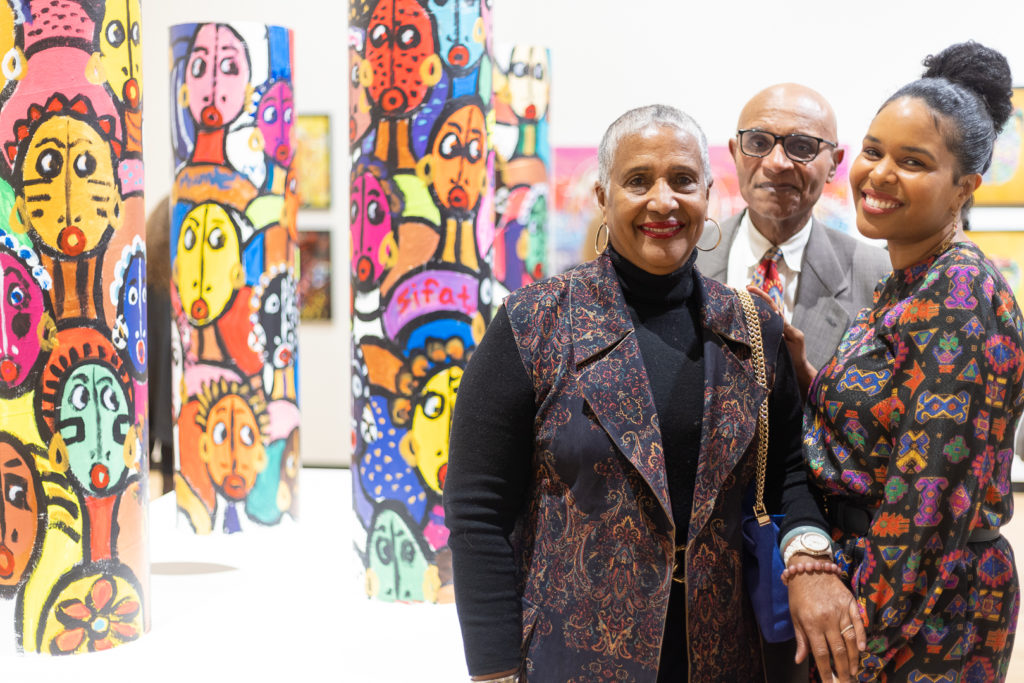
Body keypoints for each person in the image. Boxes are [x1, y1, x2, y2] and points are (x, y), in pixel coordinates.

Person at [444, 105, 831, 682]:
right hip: (574, 654)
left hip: (723, 654)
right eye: (637, 181)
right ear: (603, 195)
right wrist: (495, 668)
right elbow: (478, 511)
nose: (663, 201)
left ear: (708, 193)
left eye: (682, 180)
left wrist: (809, 556)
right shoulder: (534, 324)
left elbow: (788, 473)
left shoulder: (752, 327)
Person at [778, 42, 1023, 681]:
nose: (880, 173)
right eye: (873, 150)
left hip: (924, 611)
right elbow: (889, 425)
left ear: (964, 186)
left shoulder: (961, 291)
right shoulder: (907, 281)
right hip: (883, 587)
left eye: (912, 162)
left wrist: (858, 642)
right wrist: (809, 380)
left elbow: (928, 503)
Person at [697, 83, 890, 381]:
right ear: (735, 153)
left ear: (833, 165)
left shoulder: (880, 277)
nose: (777, 163)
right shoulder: (688, 259)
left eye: (802, 147)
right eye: (758, 143)